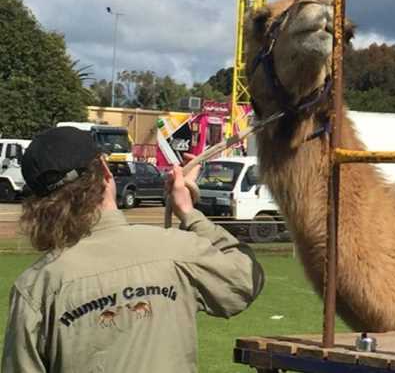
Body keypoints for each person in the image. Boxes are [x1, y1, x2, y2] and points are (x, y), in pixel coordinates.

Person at [2, 126, 266, 372]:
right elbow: (244, 280)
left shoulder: (35, 287)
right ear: (105, 171)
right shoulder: (174, 249)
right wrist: (188, 212)